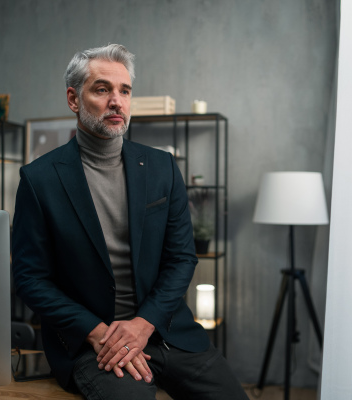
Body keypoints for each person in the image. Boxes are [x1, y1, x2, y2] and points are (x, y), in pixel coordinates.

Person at [12, 44, 248, 400]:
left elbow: (182, 258)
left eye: (125, 90)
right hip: (95, 342)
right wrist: (95, 332)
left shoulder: (162, 168)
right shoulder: (39, 179)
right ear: (74, 99)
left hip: (165, 329)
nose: (117, 101)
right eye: (102, 89)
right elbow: (30, 278)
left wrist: (143, 324)